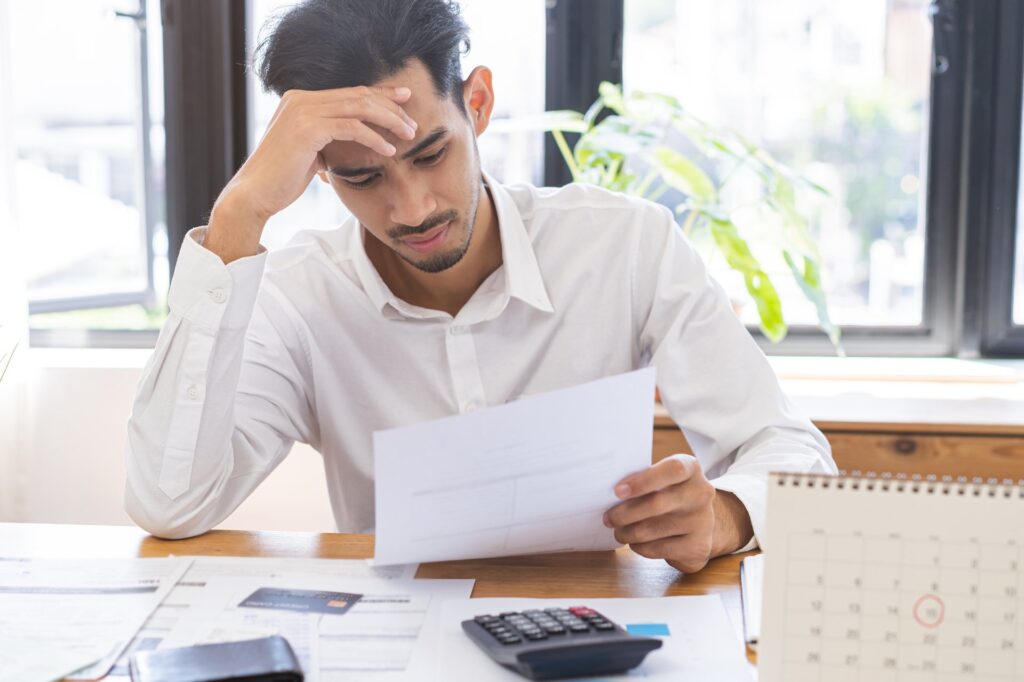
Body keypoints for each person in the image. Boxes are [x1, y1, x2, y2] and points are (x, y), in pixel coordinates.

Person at [125, 0, 835, 573]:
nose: (413, 209)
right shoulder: (297, 295)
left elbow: (790, 450)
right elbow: (170, 502)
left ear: (479, 103)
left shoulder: (625, 246)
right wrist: (239, 212)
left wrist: (726, 515)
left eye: (431, 153)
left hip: (592, 629)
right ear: (317, 170)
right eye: (362, 177)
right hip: (394, 644)